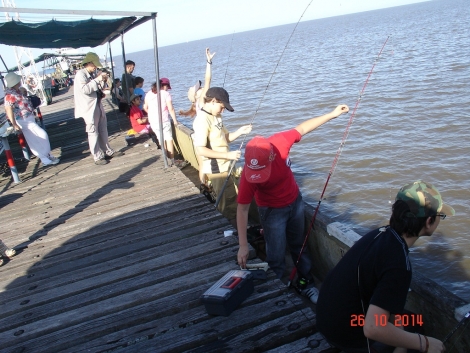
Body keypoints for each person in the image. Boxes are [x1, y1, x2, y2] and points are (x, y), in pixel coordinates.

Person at [316, 181, 451, 353]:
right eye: (440, 216)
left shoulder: (380, 234)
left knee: (410, 322)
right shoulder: (399, 265)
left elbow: (385, 300)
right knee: (417, 330)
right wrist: (425, 343)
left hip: (327, 320)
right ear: (429, 221)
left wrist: (401, 338)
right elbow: (373, 327)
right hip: (347, 333)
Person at [236, 105, 349, 303]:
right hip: (271, 212)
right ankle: (279, 291)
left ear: (272, 155)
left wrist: (333, 114)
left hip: (295, 203)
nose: (257, 177)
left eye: (262, 170)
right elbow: (242, 208)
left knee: (300, 245)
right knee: (276, 254)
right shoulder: (248, 176)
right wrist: (243, 246)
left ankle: (307, 284)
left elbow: (303, 128)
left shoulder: (280, 142)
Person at [192, 49, 252, 228]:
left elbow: (225, 138)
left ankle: (241, 229)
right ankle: (232, 234)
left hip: (229, 165)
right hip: (217, 169)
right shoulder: (202, 119)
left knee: (238, 199)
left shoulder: (217, 117)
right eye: (222, 106)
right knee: (228, 205)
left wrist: (240, 131)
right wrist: (228, 156)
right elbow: (201, 149)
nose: (223, 110)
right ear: (212, 101)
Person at [74, 52, 124, 165]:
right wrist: (97, 80)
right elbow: (85, 90)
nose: (95, 67)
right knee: (93, 132)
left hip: (97, 104)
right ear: (89, 63)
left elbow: (98, 87)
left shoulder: (93, 74)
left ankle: (108, 151)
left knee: (103, 129)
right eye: (94, 65)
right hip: (89, 108)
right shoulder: (80, 74)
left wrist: (103, 80)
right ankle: (97, 156)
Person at [3, 72, 60, 166]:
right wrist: (14, 124)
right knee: (40, 136)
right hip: (23, 120)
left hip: (28, 118)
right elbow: (8, 109)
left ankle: (47, 156)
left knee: (36, 138)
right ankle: (45, 157)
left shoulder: (17, 91)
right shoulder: (9, 95)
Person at [143, 78, 182, 167]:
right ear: (163, 86)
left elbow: (145, 107)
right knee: (169, 139)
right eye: (167, 87)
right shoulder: (165, 94)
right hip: (164, 120)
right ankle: (172, 160)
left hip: (153, 121)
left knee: (161, 140)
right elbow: (170, 108)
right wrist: (175, 121)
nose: (167, 89)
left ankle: (165, 160)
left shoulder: (148, 94)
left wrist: (152, 113)